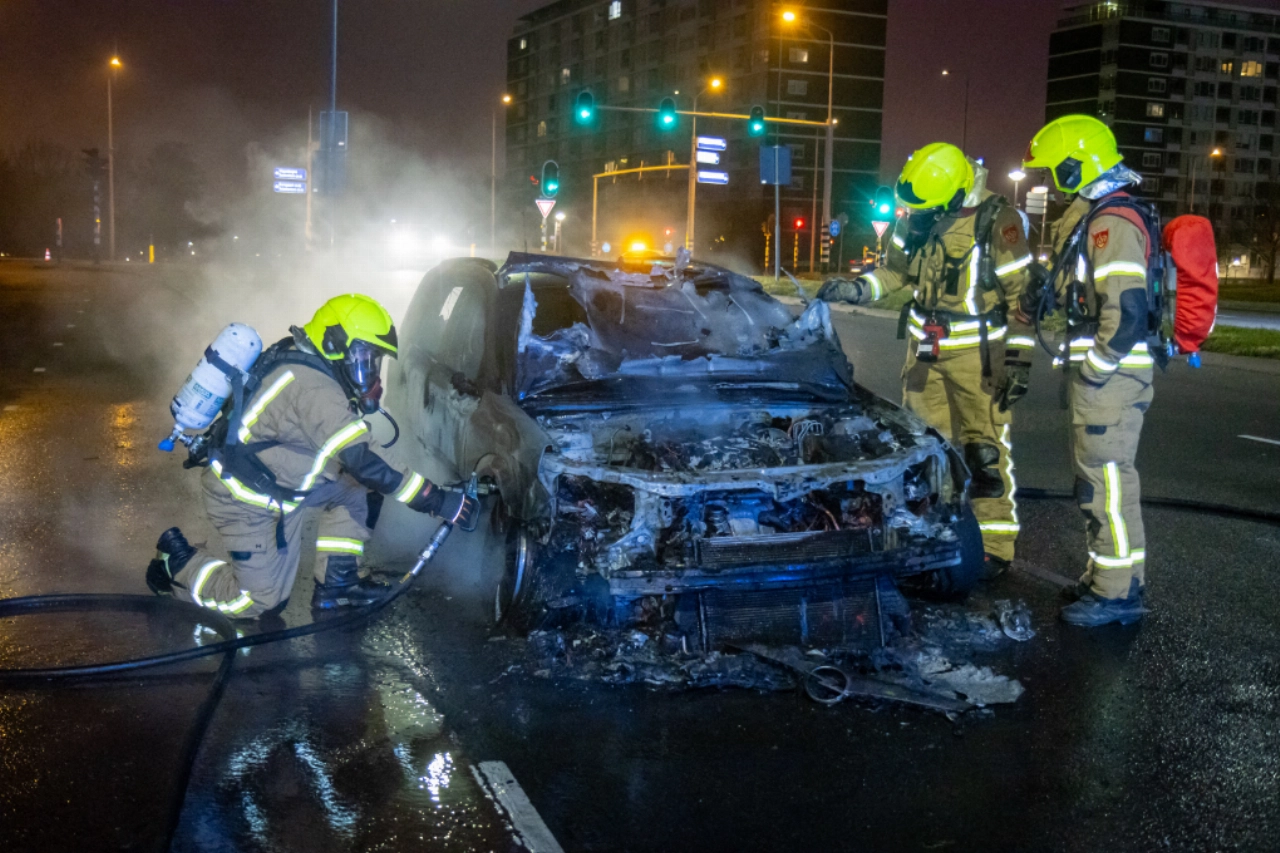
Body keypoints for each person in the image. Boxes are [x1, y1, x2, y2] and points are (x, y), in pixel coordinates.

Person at [145, 294, 478, 618]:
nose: (370, 370)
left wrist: (362, 395)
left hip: (284, 483)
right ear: (334, 344)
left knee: (355, 489)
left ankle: (338, 586)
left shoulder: (310, 364)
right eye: (364, 358)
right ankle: (178, 564)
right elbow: (364, 459)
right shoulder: (313, 388)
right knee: (259, 603)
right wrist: (438, 501)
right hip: (245, 500)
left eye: (373, 362)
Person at [817, 143, 1037, 579]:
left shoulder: (999, 222)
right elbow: (895, 272)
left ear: (955, 196)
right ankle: (932, 532)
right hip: (924, 352)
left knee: (984, 452)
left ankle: (994, 546)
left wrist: (1017, 361)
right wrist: (857, 289)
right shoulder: (919, 213)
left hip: (979, 358)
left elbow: (1023, 301)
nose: (918, 216)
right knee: (922, 447)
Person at [1020, 115, 1154, 626]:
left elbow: (1127, 313)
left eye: (1056, 170)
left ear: (1078, 165)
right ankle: (1113, 578)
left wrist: (1094, 371)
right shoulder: (1100, 216)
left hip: (1112, 382)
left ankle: (1117, 595)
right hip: (1110, 381)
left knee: (1105, 488)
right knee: (1105, 484)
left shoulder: (1110, 224)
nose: (1051, 181)